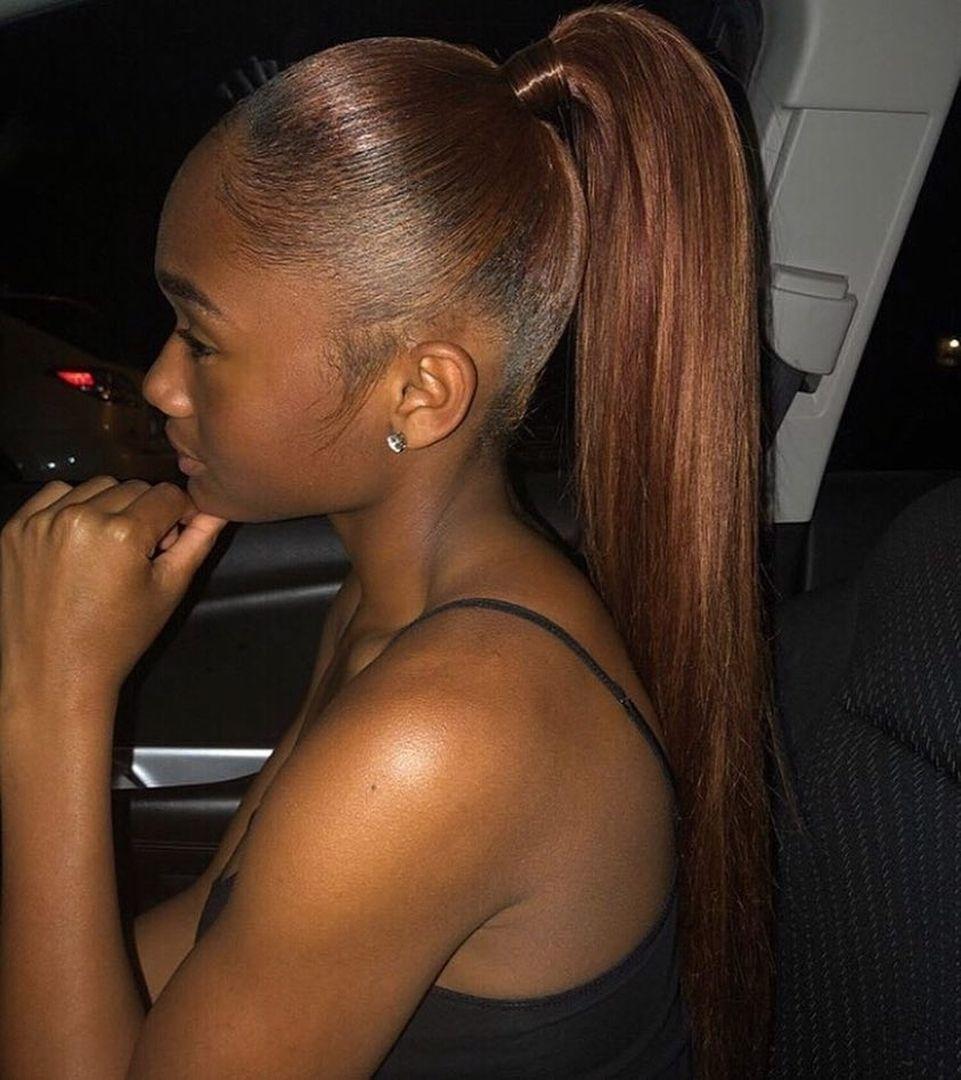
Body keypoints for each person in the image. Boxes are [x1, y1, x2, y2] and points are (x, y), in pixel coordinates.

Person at [0, 4, 789, 1077]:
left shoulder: (445, 730)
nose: (163, 384)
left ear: (418, 394)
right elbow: (204, 949)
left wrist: (51, 699)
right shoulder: (400, 610)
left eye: (201, 338)